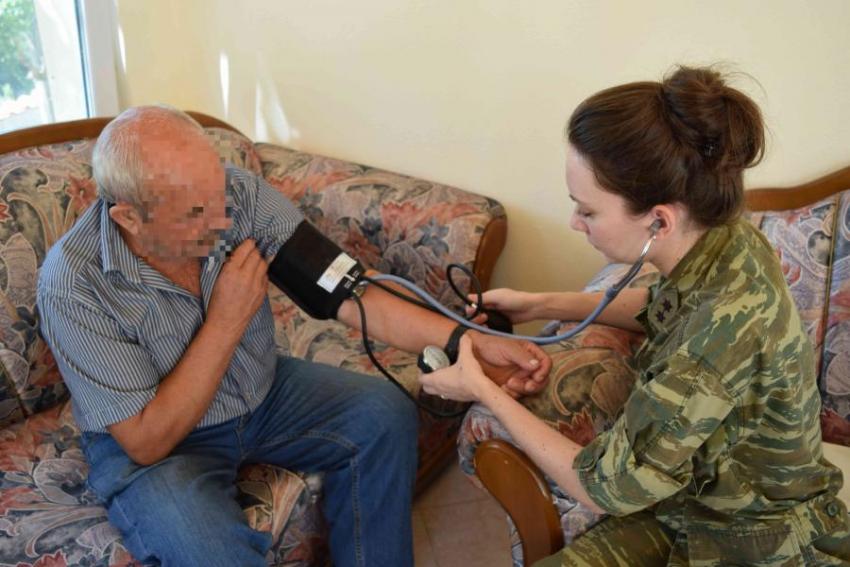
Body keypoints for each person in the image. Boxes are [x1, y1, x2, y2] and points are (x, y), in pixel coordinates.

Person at [36, 105, 552, 567]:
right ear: (128, 217)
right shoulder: (74, 282)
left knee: (382, 414)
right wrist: (226, 321)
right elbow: (147, 439)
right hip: (164, 443)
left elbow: (351, 295)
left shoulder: (239, 194)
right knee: (211, 552)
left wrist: (468, 342)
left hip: (261, 392)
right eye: (194, 213)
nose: (221, 218)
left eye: (217, 194)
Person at [421, 66, 850, 565]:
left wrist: (481, 389)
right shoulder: (727, 237)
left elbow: (601, 487)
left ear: (659, 221)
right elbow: (662, 307)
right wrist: (542, 303)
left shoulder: (709, 351)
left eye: (587, 211)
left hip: (754, 538)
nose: (574, 222)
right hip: (692, 501)